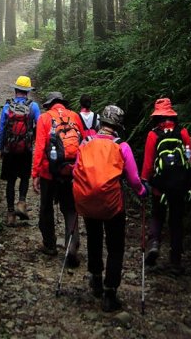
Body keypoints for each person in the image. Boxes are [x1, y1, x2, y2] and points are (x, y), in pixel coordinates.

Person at [72, 104, 149, 312]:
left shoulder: (86, 142)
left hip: (88, 200)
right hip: (112, 204)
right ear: (118, 125)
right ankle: (110, 292)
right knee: (115, 246)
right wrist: (143, 192)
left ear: (101, 122)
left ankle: (96, 280)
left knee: (94, 239)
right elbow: (133, 178)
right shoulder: (121, 146)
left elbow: (75, 171)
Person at [140, 96, 191, 273]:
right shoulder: (183, 132)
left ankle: (154, 244)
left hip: (160, 185)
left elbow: (148, 163)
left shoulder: (153, 134)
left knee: (157, 214)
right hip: (180, 185)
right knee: (176, 220)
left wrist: (144, 181)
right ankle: (175, 260)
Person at [31, 91, 84, 264]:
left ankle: (50, 245)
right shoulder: (74, 116)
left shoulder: (45, 118)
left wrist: (35, 174)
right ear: (62, 102)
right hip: (70, 171)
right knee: (70, 208)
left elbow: (39, 148)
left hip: (49, 171)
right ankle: (71, 245)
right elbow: (83, 143)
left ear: (50, 104)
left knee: (46, 208)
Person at [0, 75, 41, 227]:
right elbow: (40, 126)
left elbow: (2, 129)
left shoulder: (7, 106)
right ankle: (21, 203)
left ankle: (10, 214)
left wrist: (1, 148)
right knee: (24, 177)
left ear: (16, 90)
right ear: (27, 91)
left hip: (10, 150)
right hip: (26, 150)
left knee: (10, 181)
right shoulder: (33, 107)